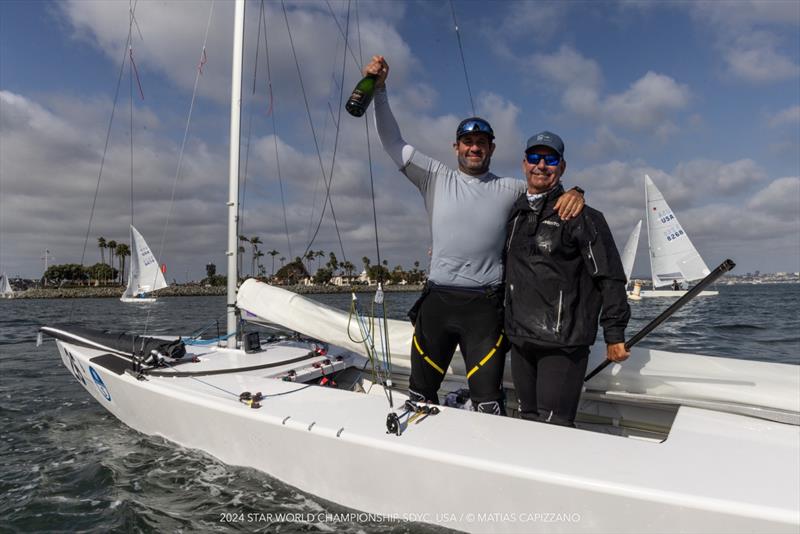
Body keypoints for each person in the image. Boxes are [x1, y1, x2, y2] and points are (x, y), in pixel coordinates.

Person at [365, 56, 586, 415]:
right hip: (437, 304)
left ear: (492, 149)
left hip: (484, 309)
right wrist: (380, 90)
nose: (474, 147)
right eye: (467, 141)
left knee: (488, 404)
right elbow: (393, 141)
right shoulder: (434, 177)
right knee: (420, 396)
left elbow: (545, 184)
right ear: (456, 147)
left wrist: (576, 189)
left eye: (481, 142)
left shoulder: (511, 188)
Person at [504, 131, 630, 426]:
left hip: (563, 343)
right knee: (527, 420)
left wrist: (615, 334)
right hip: (520, 339)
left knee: (554, 426)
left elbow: (610, 276)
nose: (541, 165)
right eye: (535, 158)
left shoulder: (582, 215)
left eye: (550, 159)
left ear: (562, 167)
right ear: (524, 163)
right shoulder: (516, 213)